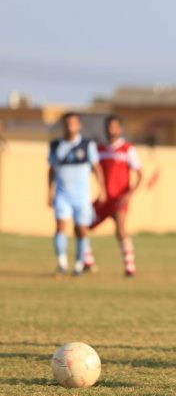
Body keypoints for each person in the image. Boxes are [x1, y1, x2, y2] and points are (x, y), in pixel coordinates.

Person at [48, 112, 106, 275]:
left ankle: (80, 264)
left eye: (73, 123)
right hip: (62, 194)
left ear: (79, 126)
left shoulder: (87, 145)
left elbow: (96, 168)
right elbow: (51, 170)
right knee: (61, 226)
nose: (70, 126)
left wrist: (102, 189)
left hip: (81, 196)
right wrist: (49, 192)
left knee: (81, 230)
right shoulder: (56, 145)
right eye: (67, 123)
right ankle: (62, 263)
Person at [87, 115, 143, 277]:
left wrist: (129, 194)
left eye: (114, 127)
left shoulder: (127, 149)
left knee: (120, 230)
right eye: (109, 126)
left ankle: (130, 267)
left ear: (120, 129)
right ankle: (87, 262)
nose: (111, 130)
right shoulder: (99, 149)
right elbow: (93, 170)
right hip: (104, 198)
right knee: (82, 226)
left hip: (119, 199)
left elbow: (140, 174)